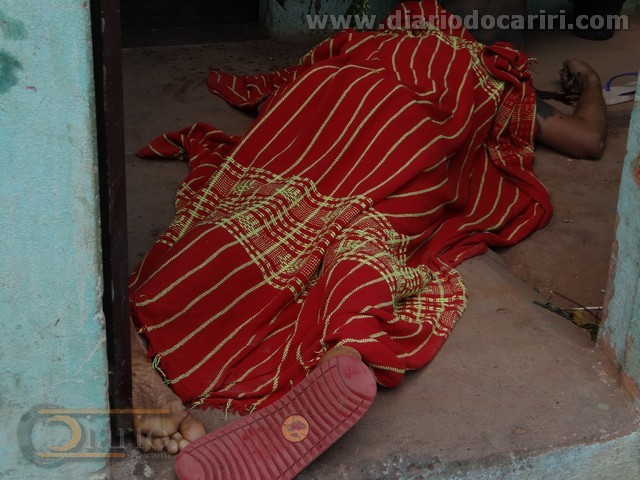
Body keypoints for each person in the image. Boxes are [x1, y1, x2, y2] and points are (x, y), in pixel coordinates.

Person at [126, 1, 607, 476]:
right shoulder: (487, 73)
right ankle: (345, 353)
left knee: (257, 211)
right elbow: (587, 139)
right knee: (370, 235)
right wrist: (589, 82)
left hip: (324, 114)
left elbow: (279, 89)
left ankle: (130, 345)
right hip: (409, 140)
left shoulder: (360, 44)